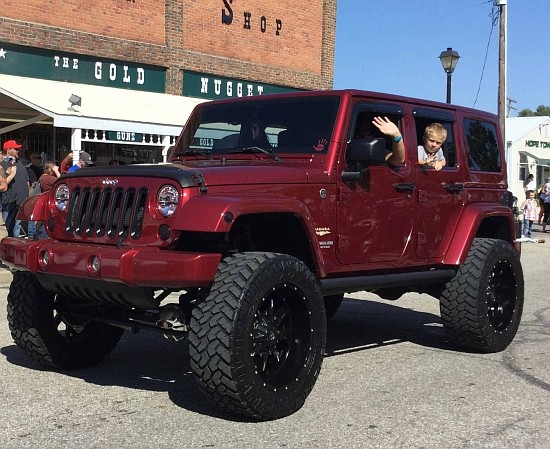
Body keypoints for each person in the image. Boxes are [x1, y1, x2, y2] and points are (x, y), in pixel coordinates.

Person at [1, 139, 30, 237]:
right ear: (8, 150)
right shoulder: (3, 164)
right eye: (15, 149)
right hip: (8, 200)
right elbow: (3, 183)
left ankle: (13, 247)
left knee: (17, 226)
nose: (18, 151)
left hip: (20, 200)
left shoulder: (19, 163)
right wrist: (11, 173)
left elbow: (26, 180)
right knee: (5, 225)